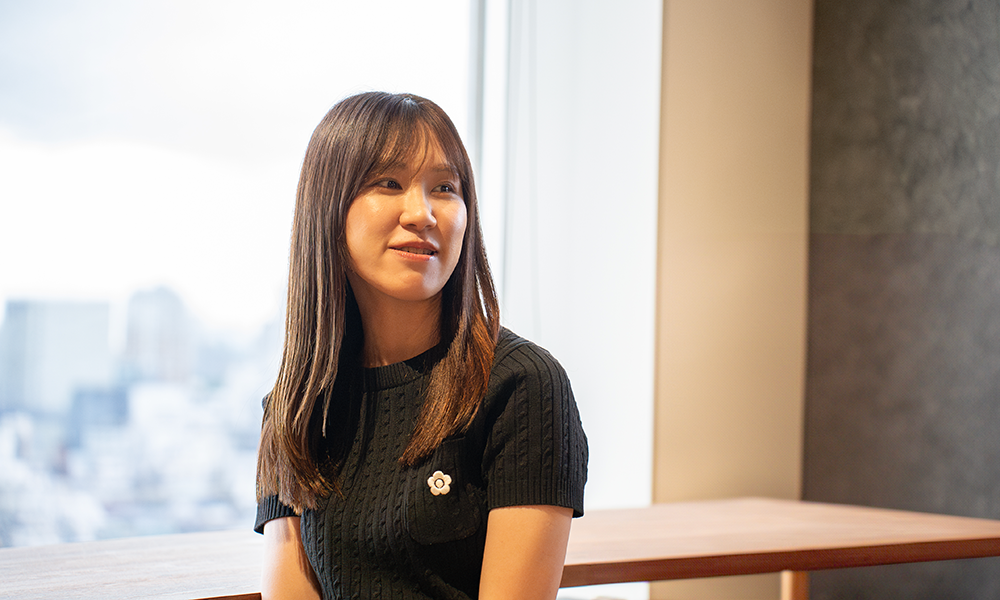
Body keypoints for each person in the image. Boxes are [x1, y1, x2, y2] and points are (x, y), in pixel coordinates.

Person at [254, 91, 588, 600]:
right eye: (388, 183)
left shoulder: (522, 386)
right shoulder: (295, 406)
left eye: (445, 188)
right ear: (327, 208)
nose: (422, 213)